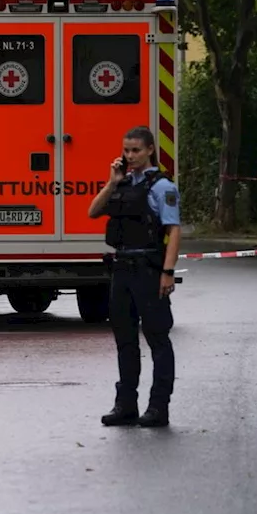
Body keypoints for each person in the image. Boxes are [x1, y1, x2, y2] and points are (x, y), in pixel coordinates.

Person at [87, 125, 181, 428]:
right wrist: (111, 183)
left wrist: (167, 273)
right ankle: (126, 405)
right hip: (122, 269)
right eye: (126, 150)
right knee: (124, 340)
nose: (130, 156)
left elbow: (173, 230)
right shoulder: (122, 183)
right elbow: (93, 212)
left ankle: (158, 407)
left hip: (148, 269)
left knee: (157, 338)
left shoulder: (163, 187)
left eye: (136, 150)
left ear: (150, 149)